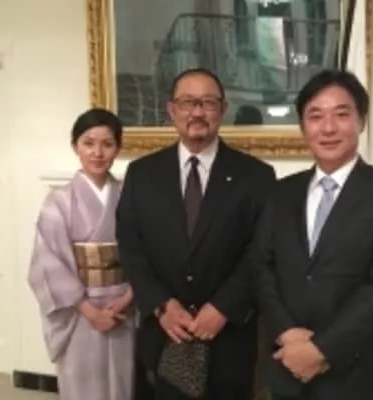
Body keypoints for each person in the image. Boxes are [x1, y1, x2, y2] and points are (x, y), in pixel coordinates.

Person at [254, 70, 373, 400]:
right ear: (303, 126)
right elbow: (262, 268)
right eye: (315, 116)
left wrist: (322, 350)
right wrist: (287, 334)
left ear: (361, 121)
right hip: (289, 370)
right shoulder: (279, 194)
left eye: (341, 114)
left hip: (362, 375)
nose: (328, 128)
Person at [116, 68, 276, 400]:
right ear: (171, 110)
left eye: (208, 103)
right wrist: (161, 305)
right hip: (163, 332)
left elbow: (261, 251)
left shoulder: (256, 176)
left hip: (228, 335)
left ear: (223, 109)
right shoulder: (142, 173)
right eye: (187, 102)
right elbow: (131, 247)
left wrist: (223, 307)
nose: (197, 112)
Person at [28, 108, 135, 400]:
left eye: (107, 144)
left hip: (122, 303)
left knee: (123, 383)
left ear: (118, 149)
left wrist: (129, 296)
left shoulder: (129, 196)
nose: (97, 153)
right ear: (75, 146)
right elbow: (48, 263)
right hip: (79, 309)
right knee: (82, 384)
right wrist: (89, 311)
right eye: (88, 143)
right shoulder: (58, 201)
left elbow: (147, 251)